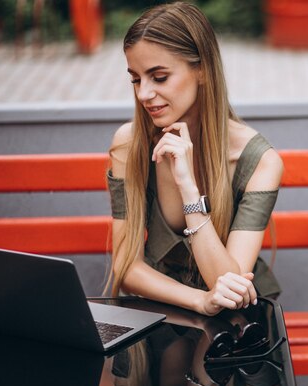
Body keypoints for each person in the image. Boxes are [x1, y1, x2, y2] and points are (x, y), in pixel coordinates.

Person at [106, 2, 283, 317]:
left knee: (203, 367)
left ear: (202, 70)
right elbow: (126, 266)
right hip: (160, 304)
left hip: (235, 320)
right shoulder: (130, 144)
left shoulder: (258, 161)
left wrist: (188, 188)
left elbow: (228, 284)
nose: (143, 93)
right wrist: (198, 301)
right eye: (136, 79)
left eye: (159, 77)